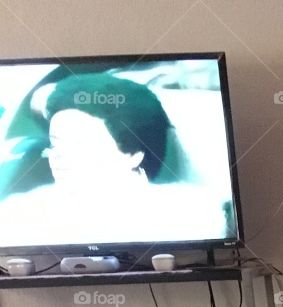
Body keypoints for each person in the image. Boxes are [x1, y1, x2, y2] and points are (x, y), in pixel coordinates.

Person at [0, 72, 228, 248]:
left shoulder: (193, 216)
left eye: (80, 144)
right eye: (56, 143)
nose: (59, 157)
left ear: (133, 154)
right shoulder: (22, 214)